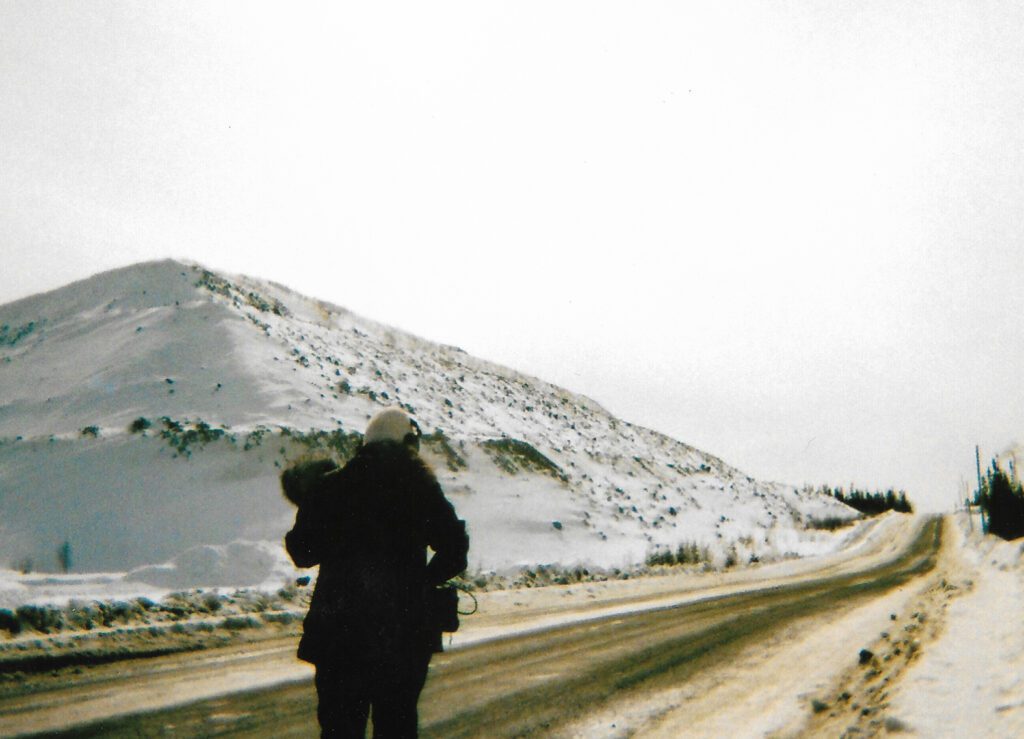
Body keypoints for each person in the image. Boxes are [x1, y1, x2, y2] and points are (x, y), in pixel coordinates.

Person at [282, 408, 469, 738]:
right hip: (401, 635)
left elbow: (301, 552)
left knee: (340, 729)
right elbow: (455, 548)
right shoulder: (419, 487)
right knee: (396, 725)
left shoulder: (330, 487)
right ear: (407, 442)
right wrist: (422, 583)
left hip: (338, 635)